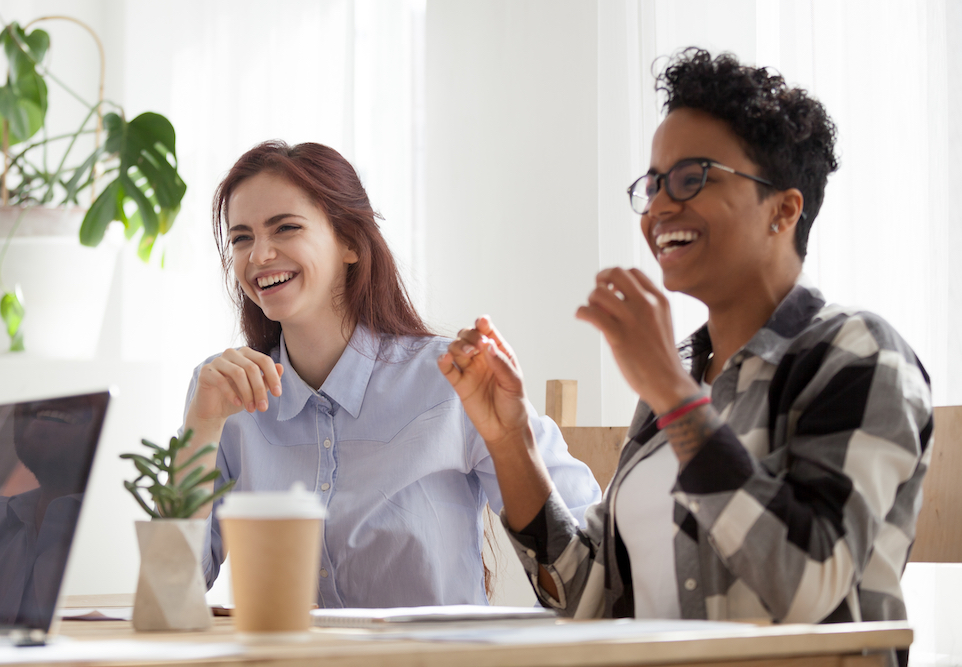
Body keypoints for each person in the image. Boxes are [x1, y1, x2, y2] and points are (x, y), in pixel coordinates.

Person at [439, 49, 931, 667]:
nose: (661, 206)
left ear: (784, 208)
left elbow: (812, 590)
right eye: (654, 184)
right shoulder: (679, 375)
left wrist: (676, 398)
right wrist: (508, 439)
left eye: (694, 177)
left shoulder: (857, 354)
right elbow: (591, 598)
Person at [181, 140, 600, 608]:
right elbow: (173, 590)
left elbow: (588, 564)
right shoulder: (226, 398)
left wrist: (513, 435)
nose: (258, 256)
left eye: (286, 228)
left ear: (351, 244)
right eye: (241, 238)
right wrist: (200, 432)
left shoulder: (454, 381)